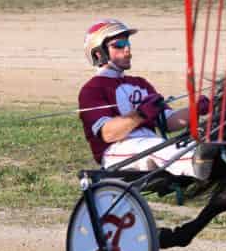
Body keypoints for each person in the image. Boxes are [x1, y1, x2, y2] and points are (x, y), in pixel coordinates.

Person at [76, 18, 202, 179]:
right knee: (157, 147)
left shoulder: (140, 83)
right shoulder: (92, 89)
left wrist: (197, 109)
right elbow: (108, 134)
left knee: (184, 144)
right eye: (119, 45)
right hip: (116, 152)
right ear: (99, 53)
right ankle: (198, 163)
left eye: (127, 43)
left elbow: (168, 121)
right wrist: (140, 114)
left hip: (150, 146)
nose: (127, 49)